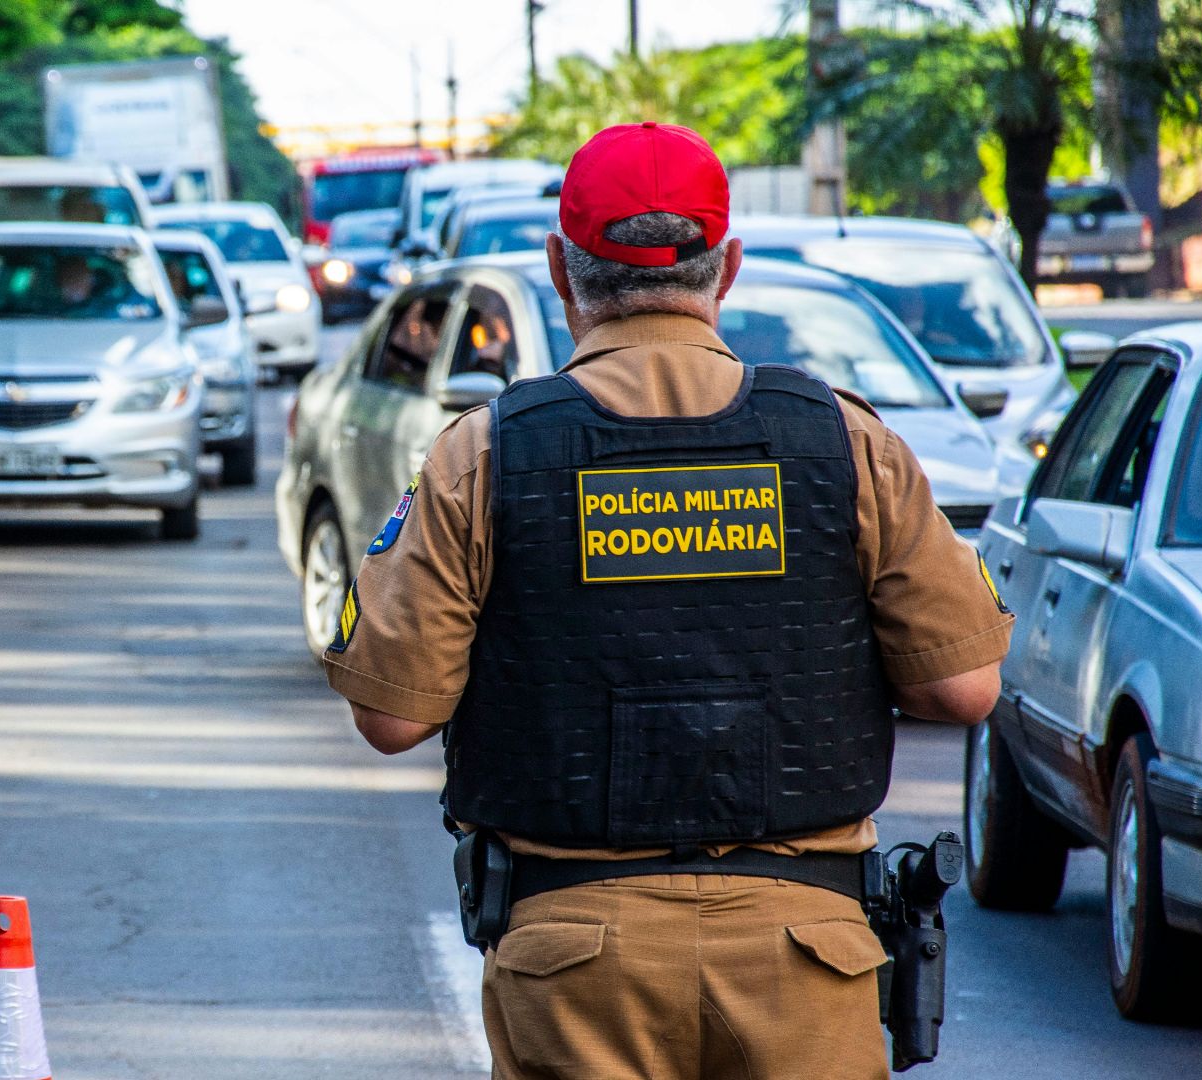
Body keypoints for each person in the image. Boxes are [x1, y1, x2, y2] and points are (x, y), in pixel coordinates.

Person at [324, 122, 1013, 1080]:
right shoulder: (844, 443)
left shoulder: (485, 453)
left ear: (561, 271)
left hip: (573, 964)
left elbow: (393, 714)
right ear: (727, 267)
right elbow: (965, 685)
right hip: (807, 956)